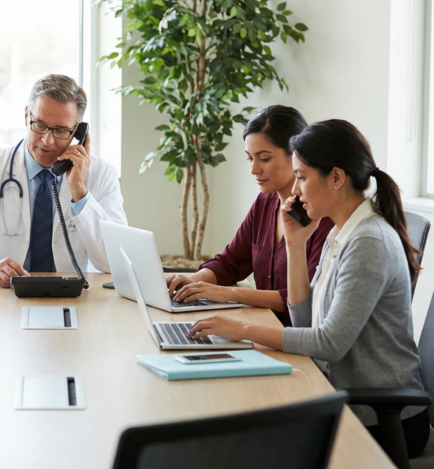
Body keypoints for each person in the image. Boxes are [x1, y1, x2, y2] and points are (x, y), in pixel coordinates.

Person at [188, 119, 429, 457]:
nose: (295, 190)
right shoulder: (340, 232)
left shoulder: (368, 241)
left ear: (335, 178)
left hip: (381, 418)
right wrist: (295, 244)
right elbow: (305, 325)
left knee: (241, 443)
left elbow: (328, 343)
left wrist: (242, 329)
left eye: (301, 177)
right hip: (339, 395)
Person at [0, 74, 127, 287]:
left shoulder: (103, 175)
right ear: (27, 115)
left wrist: (80, 192)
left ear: (78, 132)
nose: (47, 140)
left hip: (78, 297)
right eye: (39, 125)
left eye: (60, 130)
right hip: (6, 296)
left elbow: (115, 262)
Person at [169, 105, 333, 325]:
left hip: (293, 340)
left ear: (296, 156)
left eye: (264, 158)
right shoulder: (265, 203)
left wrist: (227, 294)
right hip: (262, 324)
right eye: (249, 158)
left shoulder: (323, 218)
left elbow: (304, 300)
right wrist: (193, 281)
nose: (254, 169)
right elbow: (231, 262)